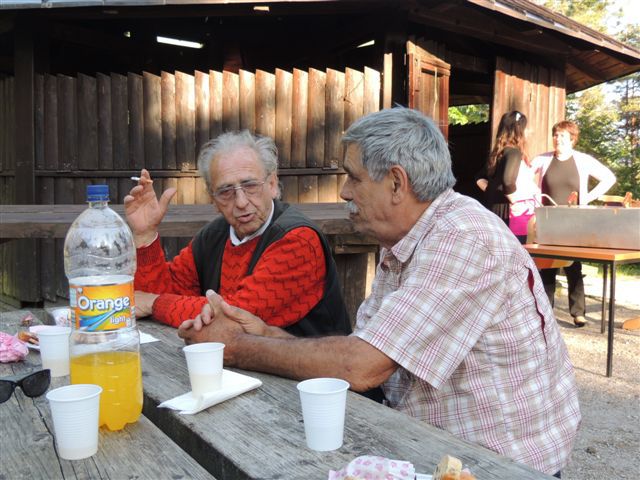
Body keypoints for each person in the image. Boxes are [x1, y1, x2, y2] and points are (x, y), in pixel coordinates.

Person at [178, 107, 581, 477]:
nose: (344, 193)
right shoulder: (406, 241)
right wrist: (261, 334)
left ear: (395, 182)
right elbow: (364, 357)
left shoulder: (463, 237)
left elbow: (360, 366)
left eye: (352, 177)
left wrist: (234, 346)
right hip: (434, 447)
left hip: (499, 465)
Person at [124, 130, 351, 337]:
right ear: (213, 199)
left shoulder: (298, 240)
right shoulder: (214, 235)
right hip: (243, 369)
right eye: (226, 191)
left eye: (250, 185)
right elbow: (154, 296)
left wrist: (154, 303)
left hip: (314, 379)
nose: (241, 202)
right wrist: (145, 236)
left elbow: (233, 318)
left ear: (272, 184)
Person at [532, 120, 616, 327]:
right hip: (550, 220)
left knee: (573, 266)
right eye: (555, 135)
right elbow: (524, 178)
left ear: (572, 139)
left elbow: (609, 178)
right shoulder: (542, 159)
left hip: (575, 219)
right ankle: (546, 311)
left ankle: (578, 312)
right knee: (548, 265)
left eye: (561, 135)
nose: (557, 139)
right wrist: (534, 198)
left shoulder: (583, 160)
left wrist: (588, 199)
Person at [476, 111, 539, 243]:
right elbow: (508, 181)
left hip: (495, 210)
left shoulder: (497, 154)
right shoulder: (514, 153)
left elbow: (478, 178)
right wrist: (515, 200)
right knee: (514, 254)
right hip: (511, 215)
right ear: (518, 130)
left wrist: (493, 192)